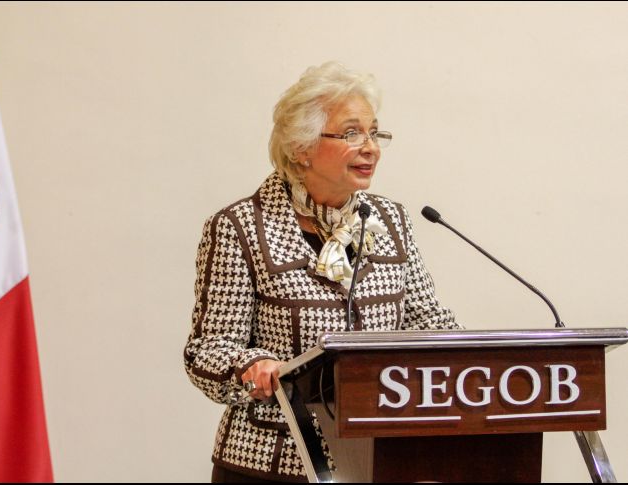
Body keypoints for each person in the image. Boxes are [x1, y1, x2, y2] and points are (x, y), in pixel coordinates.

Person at [184, 61, 461, 483]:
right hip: (271, 463)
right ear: (302, 147)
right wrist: (255, 365)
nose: (371, 147)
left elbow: (425, 319)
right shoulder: (241, 227)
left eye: (374, 132)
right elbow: (207, 350)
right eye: (352, 133)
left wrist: (471, 355)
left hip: (379, 457)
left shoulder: (391, 220)